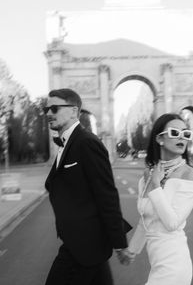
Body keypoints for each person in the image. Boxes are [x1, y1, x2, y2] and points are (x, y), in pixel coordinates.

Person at [44, 88, 131, 285]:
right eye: (46, 109)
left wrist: (119, 242)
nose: (48, 113)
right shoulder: (67, 144)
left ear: (74, 111)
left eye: (55, 108)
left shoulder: (87, 143)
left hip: (83, 245)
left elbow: (106, 194)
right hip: (84, 244)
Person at [127, 113, 193, 285]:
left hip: (174, 264)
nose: (182, 137)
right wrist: (132, 250)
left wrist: (156, 186)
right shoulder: (148, 174)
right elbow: (146, 218)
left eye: (186, 133)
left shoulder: (190, 176)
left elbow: (172, 223)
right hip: (157, 262)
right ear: (160, 139)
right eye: (175, 133)